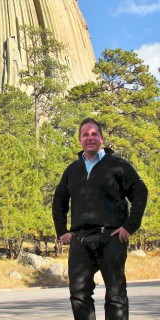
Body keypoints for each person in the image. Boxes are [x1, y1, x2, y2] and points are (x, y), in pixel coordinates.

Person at [52, 118, 148, 320]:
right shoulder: (72, 170)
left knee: (115, 296)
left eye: (94, 134)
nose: (90, 138)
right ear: (80, 140)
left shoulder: (117, 165)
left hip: (111, 238)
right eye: (85, 134)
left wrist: (129, 226)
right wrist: (62, 231)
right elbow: (59, 200)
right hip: (80, 240)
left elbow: (140, 192)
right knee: (78, 295)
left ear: (101, 138)